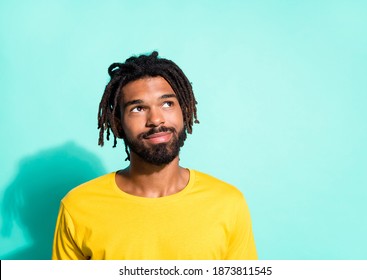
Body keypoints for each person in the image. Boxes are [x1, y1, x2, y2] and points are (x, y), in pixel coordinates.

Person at [52, 51, 257, 260]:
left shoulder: (227, 204)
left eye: (167, 104)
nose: (156, 120)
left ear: (185, 111)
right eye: (138, 108)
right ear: (117, 123)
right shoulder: (78, 207)